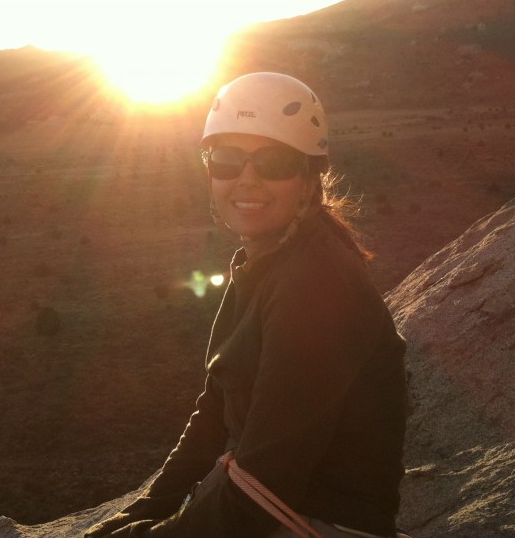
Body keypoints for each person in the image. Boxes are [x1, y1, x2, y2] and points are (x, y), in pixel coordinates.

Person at [85, 72, 408, 537]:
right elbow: (216, 408)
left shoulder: (318, 281)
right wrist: (143, 511)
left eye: (274, 162)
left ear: (309, 178)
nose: (247, 179)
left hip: (311, 523)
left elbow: (266, 487)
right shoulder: (266, 263)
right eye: (227, 160)